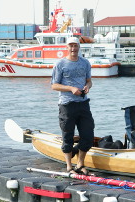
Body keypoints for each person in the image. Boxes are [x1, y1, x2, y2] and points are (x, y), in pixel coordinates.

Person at [51, 37, 94, 175]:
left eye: (75, 46)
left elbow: (89, 81)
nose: (73, 48)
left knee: (87, 134)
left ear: (79, 47)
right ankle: (69, 166)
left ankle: (80, 164)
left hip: (83, 103)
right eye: (71, 46)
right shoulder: (60, 64)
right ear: (67, 47)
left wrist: (87, 86)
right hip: (67, 104)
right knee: (67, 135)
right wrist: (71, 89)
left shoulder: (85, 63)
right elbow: (54, 85)